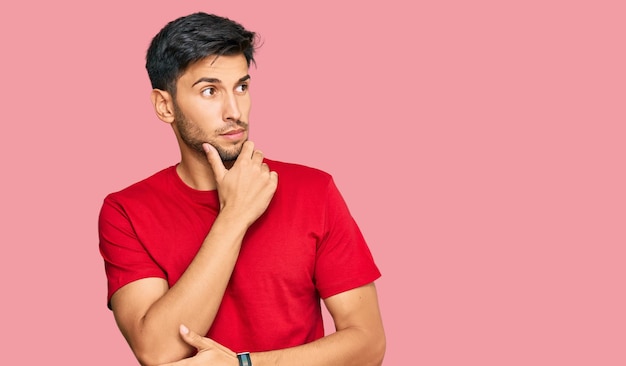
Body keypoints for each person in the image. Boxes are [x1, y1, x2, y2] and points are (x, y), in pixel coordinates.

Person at [98, 12, 385, 366]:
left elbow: (368, 345)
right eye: (209, 91)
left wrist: (244, 365)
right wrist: (234, 216)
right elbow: (157, 351)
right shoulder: (126, 210)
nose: (234, 110)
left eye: (242, 87)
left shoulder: (314, 190)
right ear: (165, 105)